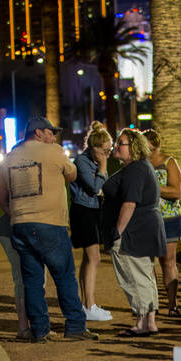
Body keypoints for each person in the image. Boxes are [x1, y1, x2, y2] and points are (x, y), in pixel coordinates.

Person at [0, 116, 97, 342]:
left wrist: (17, 214)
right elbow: (72, 175)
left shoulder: (10, 157)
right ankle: (75, 326)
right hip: (50, 223)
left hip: (20, 225)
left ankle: (40, 330)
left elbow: (1, 196)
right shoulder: (54, 151)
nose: (53, 136)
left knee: (32, 279)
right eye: (50, 132)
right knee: (64, 276)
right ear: (38, 132)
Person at [102, 128, 167, 336]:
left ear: (133, 148)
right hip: (146, 227)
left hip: (134, 231)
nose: (116, 146)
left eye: (121, 143)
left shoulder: (135, 170)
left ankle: (141, 322)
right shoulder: (141, 167)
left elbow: (129, 203)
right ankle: (149, 321)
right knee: (144, 274)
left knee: (132, 274)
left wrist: (117, 233)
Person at [69, 121, 113, 322]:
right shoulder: (82, 162)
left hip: (95, 211)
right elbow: (95, 187)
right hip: (83, 211)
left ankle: (86, 304)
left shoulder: (95, 162)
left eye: (109, 150)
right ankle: (89, 305)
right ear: (93, 148)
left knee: (90, 259)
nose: (107, 154)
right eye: (104, 151)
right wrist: (103, 166)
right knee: (93, 258)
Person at [142, 128, 181, 318]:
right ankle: (152, 304)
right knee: (147, 263)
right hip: (147, 218)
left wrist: (155, 188)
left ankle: (173, 305)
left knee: (168, 261)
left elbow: (176, 192)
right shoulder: (140, 164)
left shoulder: (169, 162)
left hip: (168, 217)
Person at [0, 211, 32, 340]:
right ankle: (24, 328)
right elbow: (2, 199)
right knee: (23, 278)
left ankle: (35, 326)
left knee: (34, 279)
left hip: (29, 229)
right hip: (15, 230)